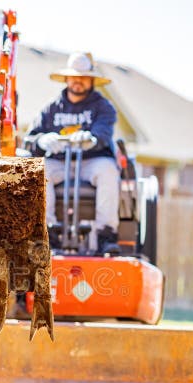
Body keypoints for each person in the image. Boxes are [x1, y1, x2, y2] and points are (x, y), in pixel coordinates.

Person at [26, 52, 120, 254]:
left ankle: (105, 235)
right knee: (40, 172)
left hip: (91, 162)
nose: (78, 81)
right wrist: (42, 141)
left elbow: (103, 134)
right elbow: (30, 139)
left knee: (108, 171)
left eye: (84, 77)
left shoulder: (103, 107)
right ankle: (47, 234)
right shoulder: (50, 109)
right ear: (67, 79)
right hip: (59, 162)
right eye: (74, 77)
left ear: (91, 80)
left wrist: (91, 140)